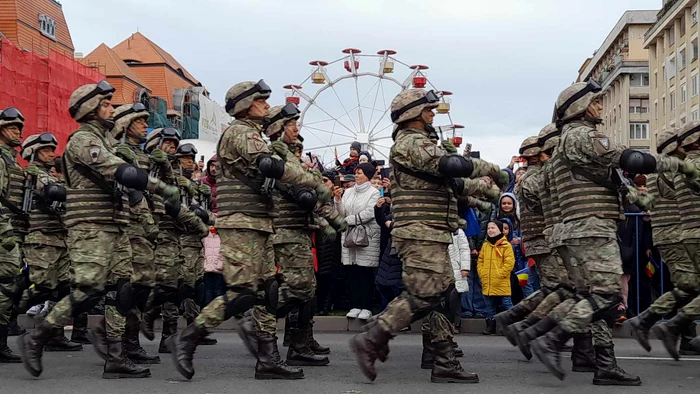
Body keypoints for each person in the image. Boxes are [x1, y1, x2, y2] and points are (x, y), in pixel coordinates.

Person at [17, 81, 181, 379]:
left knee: (125, 287)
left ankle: (116, 357)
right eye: (106, 105)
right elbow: (120, 171)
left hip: (114, 224)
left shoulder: (104, 140)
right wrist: (160, 186)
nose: (111, 109)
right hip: (90, 225)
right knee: (88, 291)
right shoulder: (83, 140)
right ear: (91, 109)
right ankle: (38, 336)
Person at [529, 81, 689, 385]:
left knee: (595, 297)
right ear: (581, 106)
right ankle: (552, 340)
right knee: (608, 294)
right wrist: (668, 163)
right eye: (596, 102)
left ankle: (605, 363)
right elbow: (626, 158)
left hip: (576, 228)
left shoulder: (566, 143)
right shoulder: (582, 136)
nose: (600, 106)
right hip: (591, 226)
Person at [349, 88, 509, 384]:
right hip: (419, 230)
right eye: (428, 109)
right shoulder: (411, 142)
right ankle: (372, 337)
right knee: (424, 292)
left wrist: (484, 192)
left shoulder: (418, 144)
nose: (433, 114)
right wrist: (491, 170)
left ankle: (443, 360)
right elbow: (451, 166)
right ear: (412, 113)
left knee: (440, 296)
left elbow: (454, 184)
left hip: (432, 229)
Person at [168, 80, 325, 381]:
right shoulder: (241, 133)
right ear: (245, 105)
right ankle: (186, 339)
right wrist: (311, 181)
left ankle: (267, 359)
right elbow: (271, 166)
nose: (267, 105)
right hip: (241, 222)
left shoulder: (253, 135)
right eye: (261, 100)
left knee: (268, 291)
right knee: (241, 293)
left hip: (258, 221)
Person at [261, 103, 345, 367]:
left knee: (308, 290)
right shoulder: (277, 158)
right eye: (290, 124)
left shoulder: (290, 158)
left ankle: (300, 344)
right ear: (277, 128)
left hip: (299, 230)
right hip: (286, 231)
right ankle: (259, 320)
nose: (296, 129)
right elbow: (305, 194)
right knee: (298, 289)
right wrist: (335, 219)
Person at [17, 133, 83, 353]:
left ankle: (54, 332)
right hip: (41, 238)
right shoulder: (34, 173)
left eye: (51, 150)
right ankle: (6, 314)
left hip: (60, 239)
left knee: (65, 287)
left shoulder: (50, 175)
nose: (50, 154)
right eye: (45, 150)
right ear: (34, 152)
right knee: (42, 286)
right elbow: (53, 192)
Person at [110, 103, 163, 364]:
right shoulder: (121, 152)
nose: (145, 126)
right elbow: (133, 192)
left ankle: (129, 340)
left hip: (145, 226)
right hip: (130, 225)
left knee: (144, 284)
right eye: (140, 122)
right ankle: (124, 344)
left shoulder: (141, 155)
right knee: (128, 287)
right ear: (127, 124)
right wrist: (147, 219)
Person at [648, 122, 700, 358]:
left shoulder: (657, 171)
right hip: (678, 232)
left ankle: (683, 335)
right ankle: (673, 328)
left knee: (687, 286)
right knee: (688, 287)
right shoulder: (676, 168)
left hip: (672, 234)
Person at [336, 163, 381, 321]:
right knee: (352, 272)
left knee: (365, 273)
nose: (356, 176)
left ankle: (367, 306)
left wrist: (348, 220)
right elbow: (341, 212)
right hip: (349, 235)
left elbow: (370, 212)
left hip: (367, 236)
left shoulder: (374, 193)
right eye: (356, 173)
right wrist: (337, 200)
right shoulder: (348, 192)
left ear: (367, 175)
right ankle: (355, 304)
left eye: (360, 173)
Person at [0, 107, 27, 363]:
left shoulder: (11, 160)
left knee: (10, 284)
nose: (17, 131)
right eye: (12, 127)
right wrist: (6, 231)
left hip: (12, 229)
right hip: (3, 231)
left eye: (19, 127)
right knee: (7, 285)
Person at [478, 220, 514, 335]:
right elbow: (480, 261)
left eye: (493, 228)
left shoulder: (506, 245)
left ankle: (511, 326)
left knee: (506, 303)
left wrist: (500, 274)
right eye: (488, 228)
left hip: (501, 281)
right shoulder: (485, 245)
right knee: (489, 305)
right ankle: (490, 326)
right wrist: (482, 273)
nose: (490, 230)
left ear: (500, 230)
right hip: (487, 281)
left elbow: (509, 263)